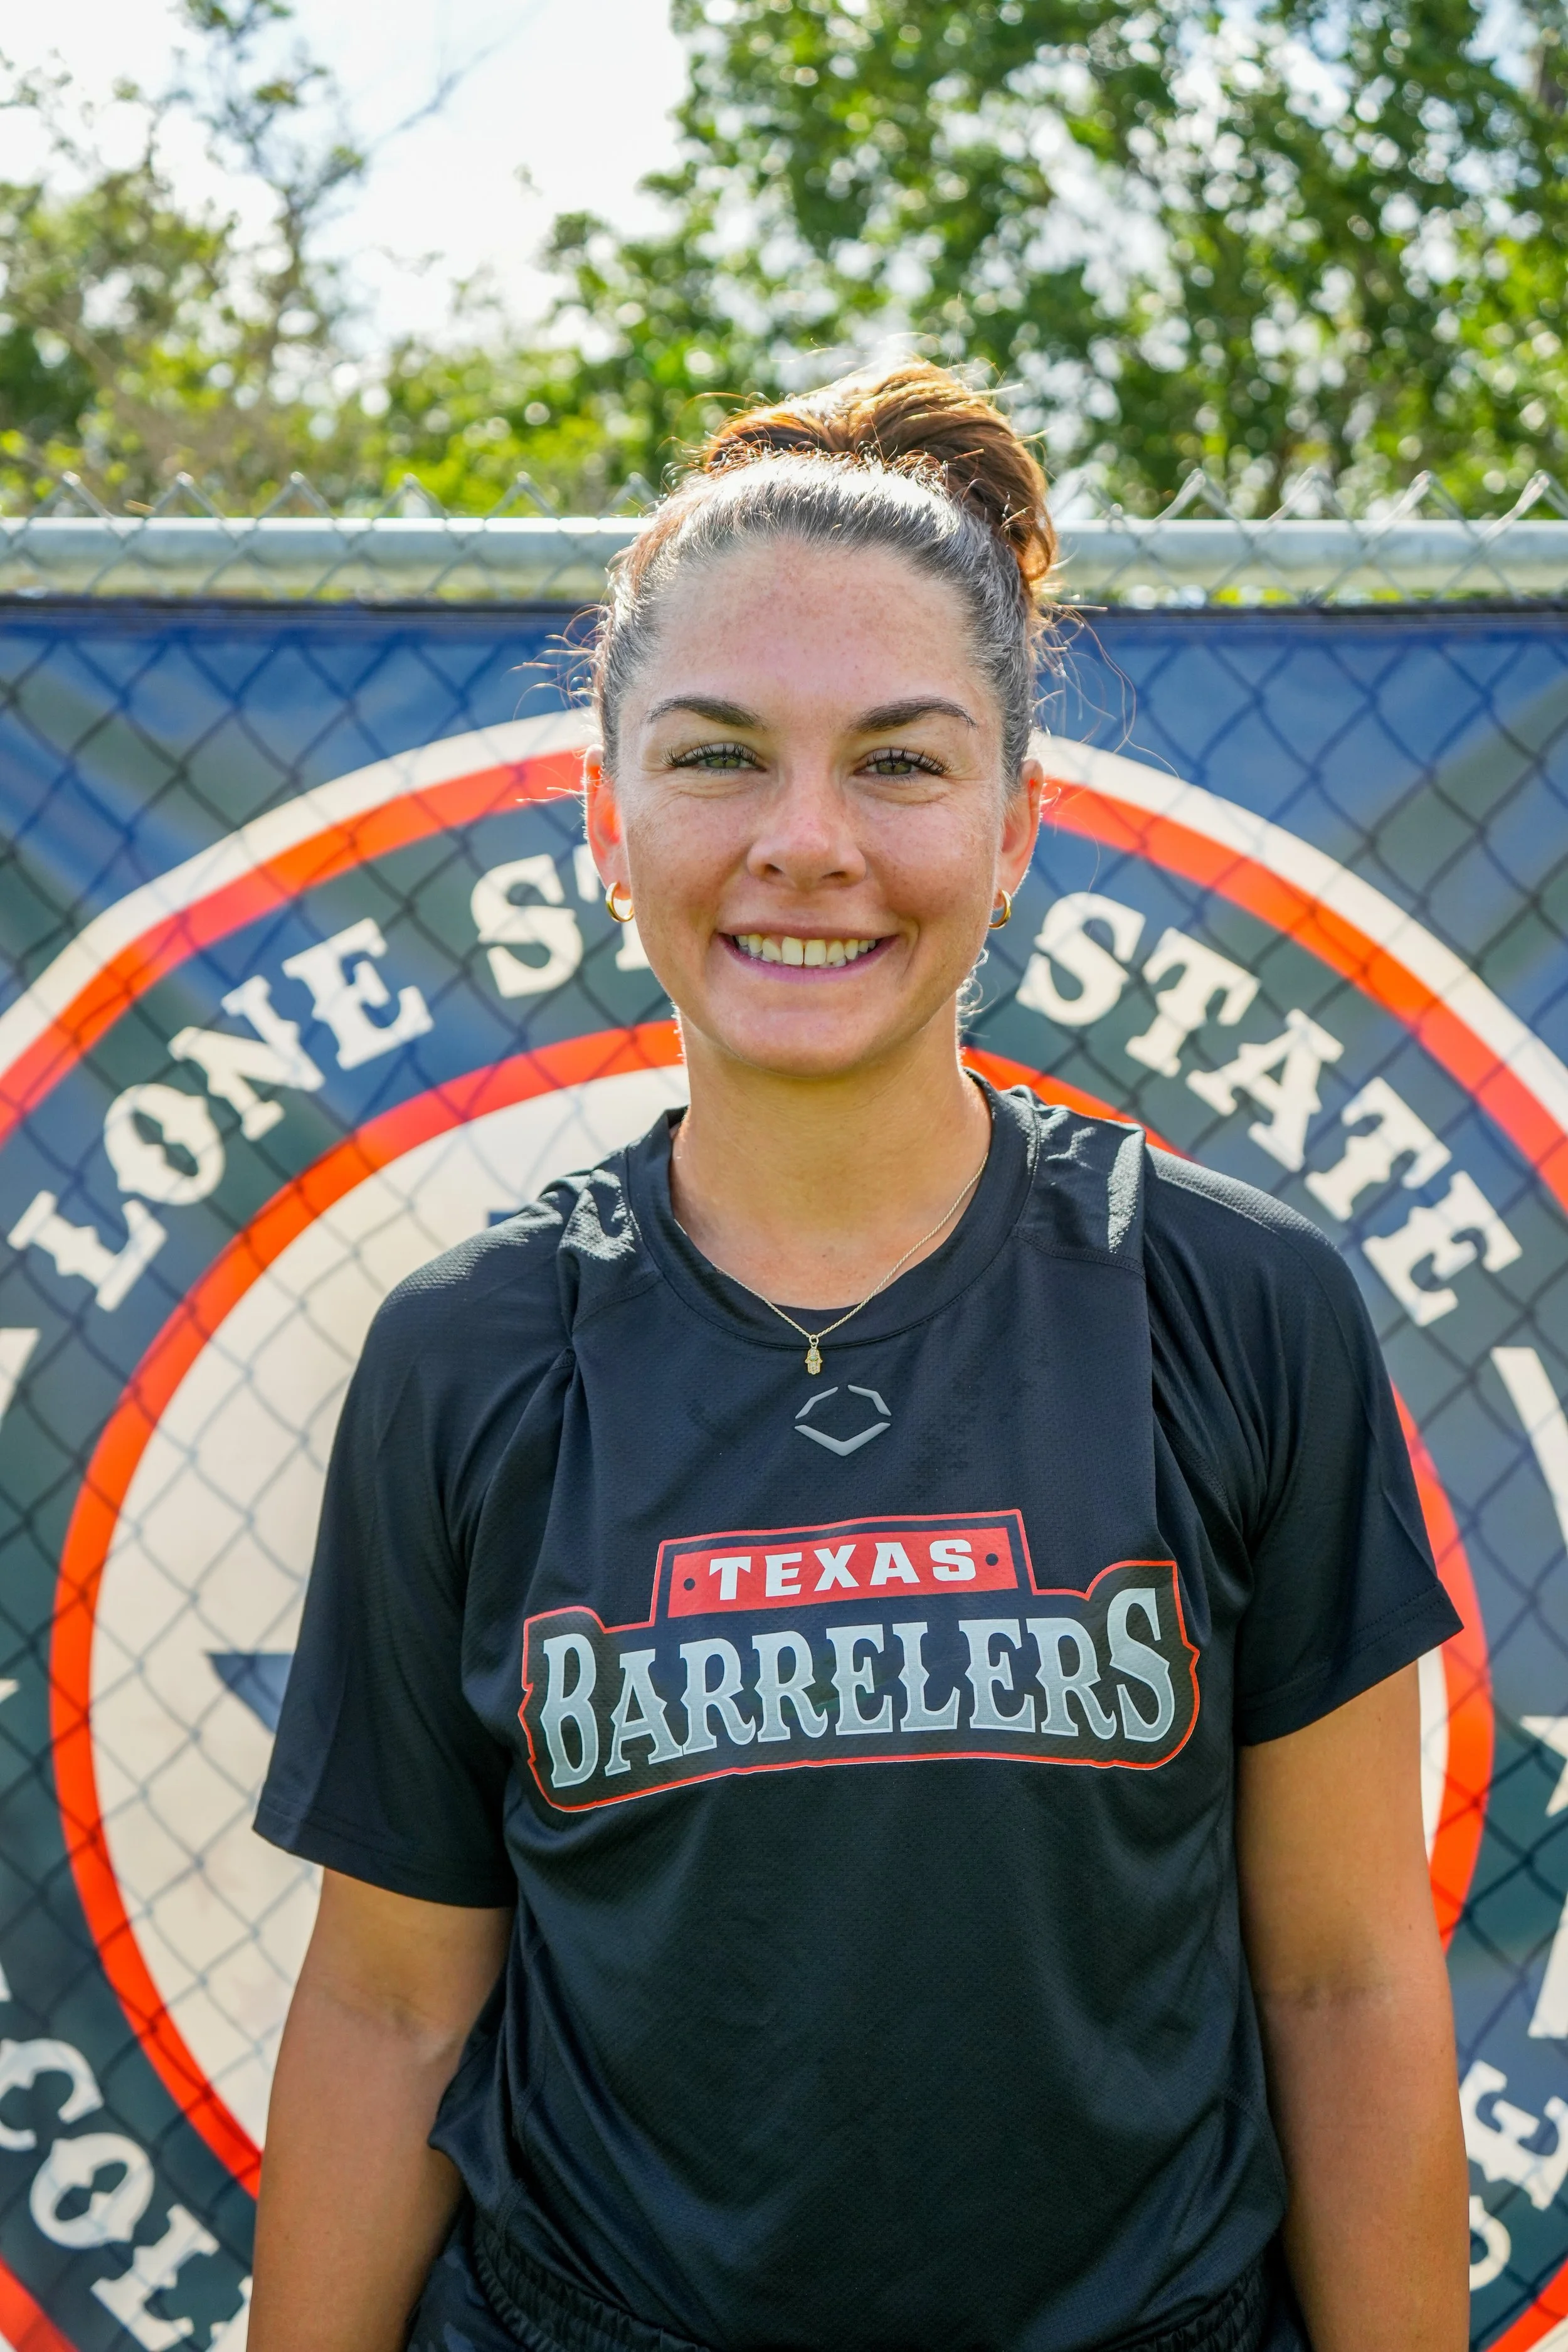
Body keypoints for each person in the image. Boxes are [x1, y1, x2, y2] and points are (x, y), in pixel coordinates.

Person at [251, 363, 1469, 2352]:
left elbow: (1338, 1975)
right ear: (604, 821)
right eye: (718, 755)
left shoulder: (1239, 1308)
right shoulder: (468, 1354)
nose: (804, 842)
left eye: (898, 764)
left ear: (1012, 826)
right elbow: (393, 2000)